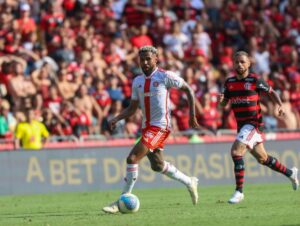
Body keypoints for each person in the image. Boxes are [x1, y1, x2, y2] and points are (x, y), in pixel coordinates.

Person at [102, 46, 200, 213]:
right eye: (142, 59)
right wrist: (118, 118)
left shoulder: (165, 76)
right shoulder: (137, 81)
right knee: (157, 165)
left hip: (161, 127)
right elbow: (132, 108)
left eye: (148, 59)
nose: (145, 62)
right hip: (147, 127)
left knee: (132, 158)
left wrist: (192, 115)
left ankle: (120, 201)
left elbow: (188, 89)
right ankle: (189, 181)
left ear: (156, 59)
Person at [218, 51, 299, 204]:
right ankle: (291, 173)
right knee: (263, 159)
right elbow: (223, 104)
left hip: (254, 124)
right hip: (242, 126)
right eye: (236, 62)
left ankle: (239, 191)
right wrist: (222, 101)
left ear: (249, 64)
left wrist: (280, 105)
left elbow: (271, 92)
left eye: (242, 62)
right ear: (233, 64)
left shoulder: (254, 80)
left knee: (236, 151)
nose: (239, 65)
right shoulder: (229, 82)